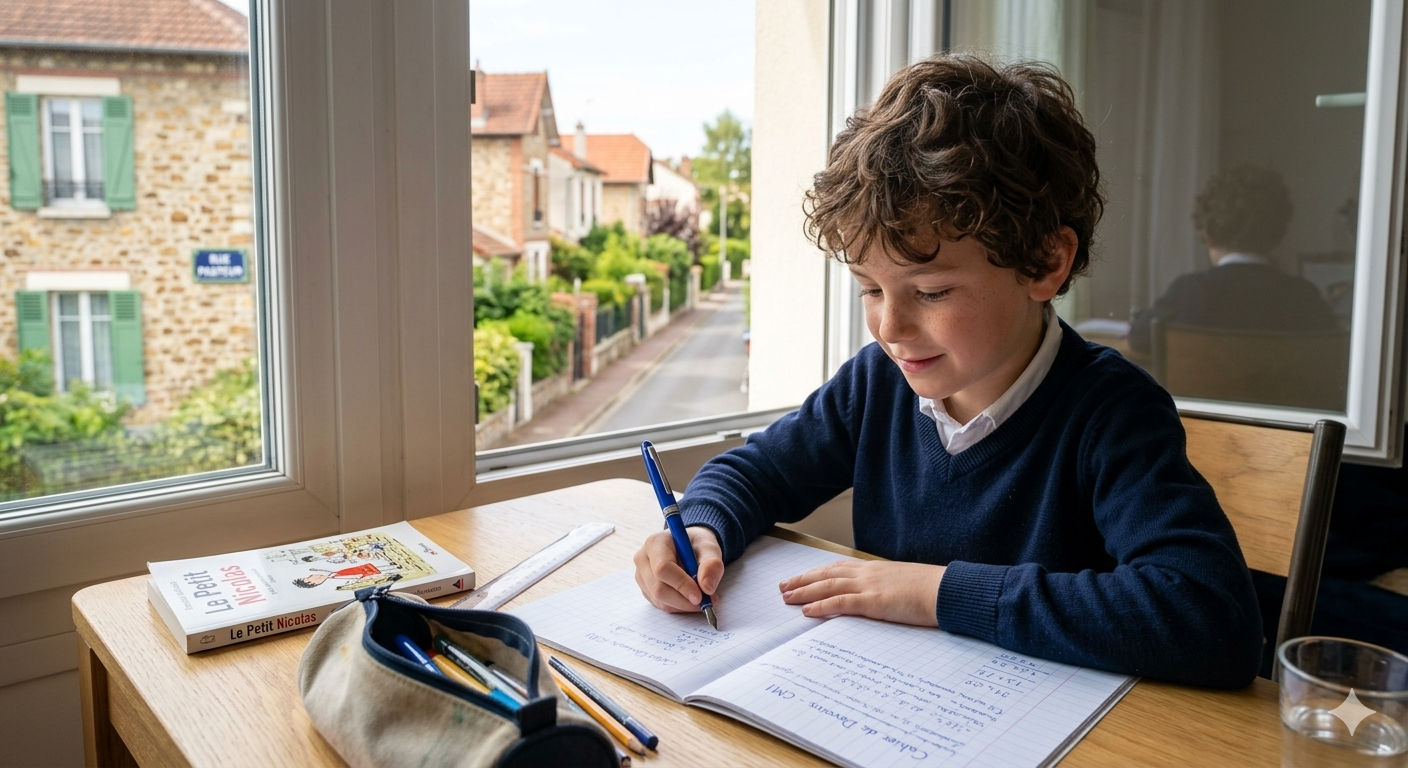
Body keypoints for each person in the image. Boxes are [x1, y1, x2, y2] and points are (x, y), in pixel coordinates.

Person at [632, 54, 1264, 688]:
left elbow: (1209, 616)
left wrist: (933, 593)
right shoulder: (877, 383)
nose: (889, 328)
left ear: (1045, 262)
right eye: (869, 290)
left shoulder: (1112, 413)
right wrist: (700, 525)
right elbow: (758, 471)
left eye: (930, 292)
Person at [1128, 165, 1338, 354]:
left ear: (1207, 237)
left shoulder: (1188, 291)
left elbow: (1138, 339)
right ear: (1277, 238)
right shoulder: (1304, 297)